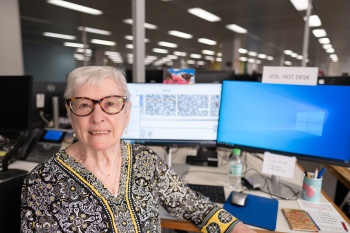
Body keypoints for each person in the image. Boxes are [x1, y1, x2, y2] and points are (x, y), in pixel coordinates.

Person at [21, 66, 256, 233]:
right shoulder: (43, 183)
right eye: (84, 105)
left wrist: (236, 228)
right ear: (70, 114)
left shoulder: (145, 160)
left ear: (127, 112)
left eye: (110, 104)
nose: (98, 117)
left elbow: (189, 203)